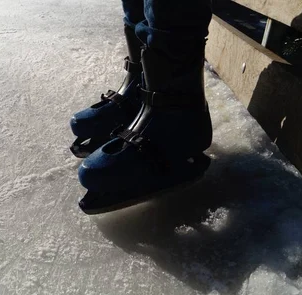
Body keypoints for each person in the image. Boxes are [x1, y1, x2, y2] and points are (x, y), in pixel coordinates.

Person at [70, 0, 214, 214]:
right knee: (141, 8)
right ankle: (143, 94)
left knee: (168, 13)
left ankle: (179, 118)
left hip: (177, 118)